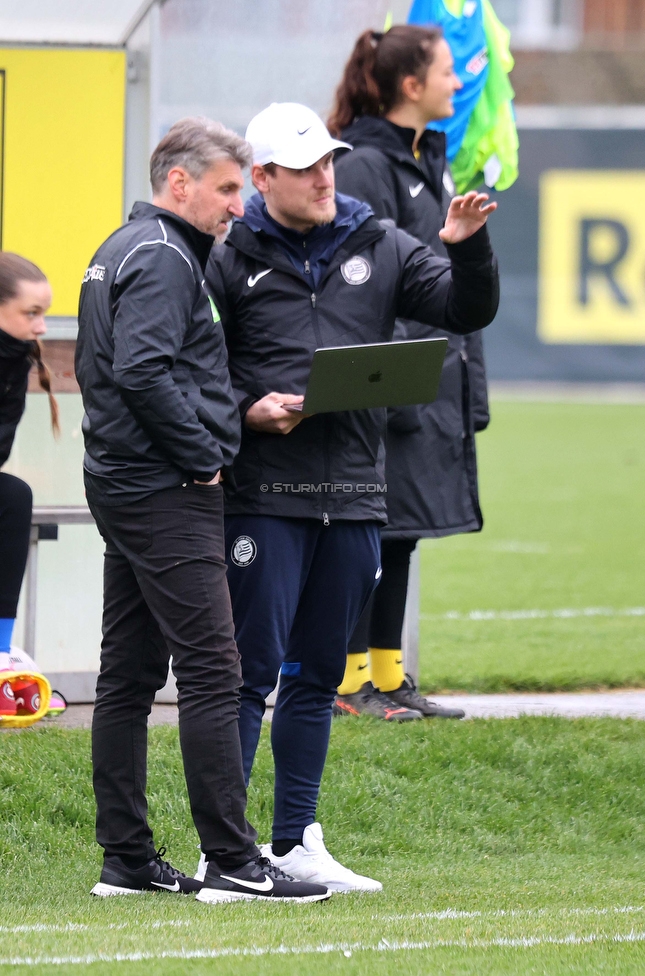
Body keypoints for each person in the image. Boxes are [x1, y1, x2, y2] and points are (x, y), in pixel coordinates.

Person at [202, 101, 498, 892]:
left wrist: (468, 252)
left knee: (317, 675)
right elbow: (196, 369)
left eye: (328, 161)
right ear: (262, 179)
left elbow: (467, 311)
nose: (324, 177)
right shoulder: (228, 258)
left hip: (357, 498)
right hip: (265, 496)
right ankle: (223, 849)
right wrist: (245, 410)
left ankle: (295, 841)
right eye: (304, 168)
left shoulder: (381, 240)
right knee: (249, 671)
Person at [75, 117, 329, 904]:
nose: (235, 207)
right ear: (178, 182)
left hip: (126, 480)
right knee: (215, 669)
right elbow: (141, 370)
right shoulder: (162, 256)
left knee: (129, 675)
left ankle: (127, 858)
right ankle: (232, 859)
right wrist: (204, 455)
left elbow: (116, 370)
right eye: (225, 188)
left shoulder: (125, 247)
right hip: (163, 488)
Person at [330, 25, 491, 721]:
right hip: (389, 388)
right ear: (410, 85)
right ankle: (345, 682)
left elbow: (450, 290)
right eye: (448, 72)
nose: (459, 83)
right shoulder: (366, 165)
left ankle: (390, 678)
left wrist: (466, 390)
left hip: (426, 384)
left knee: (400, 532)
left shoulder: (433, 159)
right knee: (368, 533)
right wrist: (390, 383)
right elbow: (366, 286)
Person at [0, 254, 59, 718]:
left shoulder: (15, 360)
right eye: (31, 313)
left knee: (14, 495)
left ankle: (0, 654)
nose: (42, 326)